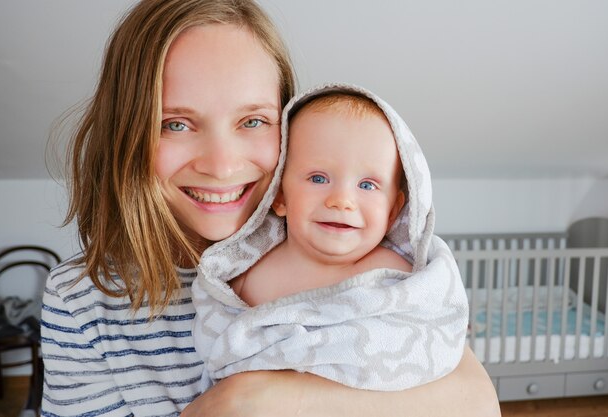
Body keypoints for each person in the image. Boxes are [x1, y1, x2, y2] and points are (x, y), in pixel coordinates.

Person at [41, 0, 500, 416]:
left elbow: (476, 404)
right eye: (175, 124)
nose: (221, 166)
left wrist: (262, 400)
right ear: (127, 132)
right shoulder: (81, 300)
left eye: (253, 121)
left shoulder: (356, 256)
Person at [193, 83, 469, 392]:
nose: (342, 200)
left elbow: (425, 338)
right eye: (318, 178)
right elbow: (220, 340)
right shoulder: (248, 274)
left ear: (393, 212)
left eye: (367, 185)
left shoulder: (399, 274)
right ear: (280, 196)